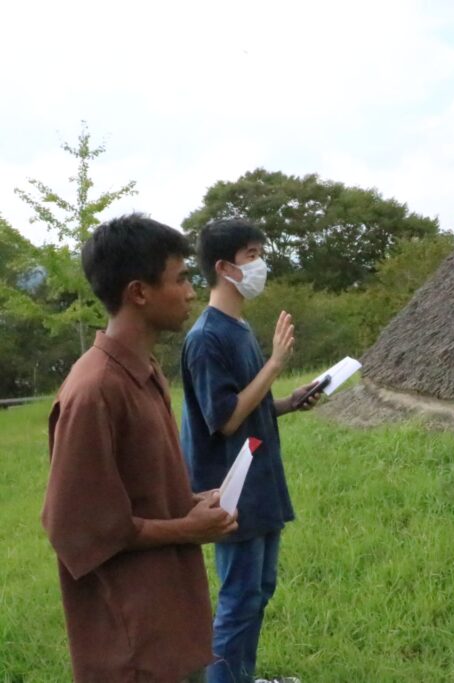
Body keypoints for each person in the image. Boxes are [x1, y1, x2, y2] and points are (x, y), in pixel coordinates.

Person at [41, 214, 238, 682]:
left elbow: (132, 493)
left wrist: (188, 503)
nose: (192, 291)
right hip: (129, 644)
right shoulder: (95, 390)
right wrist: (185, 530)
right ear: (139, 292)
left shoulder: (144, 371)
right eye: (181, 278)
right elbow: (76, 526)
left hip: (167, 624)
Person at [180, 219, 321, 683]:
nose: (261, 264)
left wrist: (288, 402)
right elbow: (224, 419)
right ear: (224, 267)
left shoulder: (238, 327)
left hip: (260, 482)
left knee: (259, 590)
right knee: (239, 598)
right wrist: (277, 363)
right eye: (252, 254)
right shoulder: (206, 337)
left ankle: (241, 676)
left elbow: (251, 404)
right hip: (231, 490)